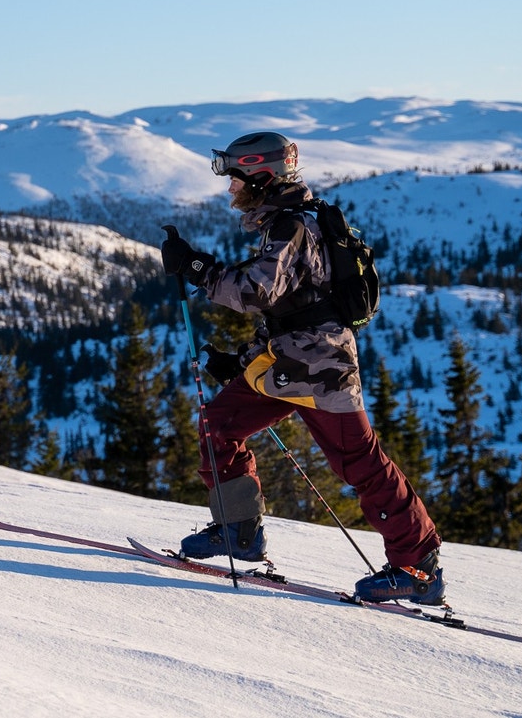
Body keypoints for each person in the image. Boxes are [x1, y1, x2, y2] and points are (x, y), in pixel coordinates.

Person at [160, 131, 446, 605]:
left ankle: (419, 569)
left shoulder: (291, 226)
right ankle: (239, 531)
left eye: (236, 179)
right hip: (291, 360)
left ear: (262, 176)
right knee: (220, 424)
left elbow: (257, 291)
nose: (230, 189)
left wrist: (196, 268)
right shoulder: (290, 222)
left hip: (320, 367)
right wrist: (241, 364)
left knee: (361, 464)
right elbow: (294, 308)